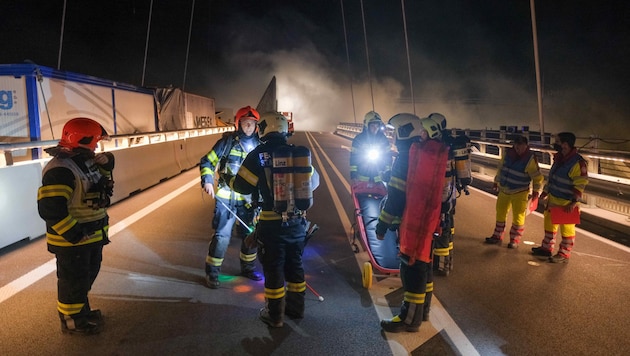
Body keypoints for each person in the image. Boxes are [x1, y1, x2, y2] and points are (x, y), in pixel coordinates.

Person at [227, 112, 320, 328]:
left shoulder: (258, 154)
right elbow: (313, 182)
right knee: (295, 266)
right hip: (298, 224)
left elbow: (242, 186)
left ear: (264, 128)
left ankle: (275, 315)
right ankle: (296, 310)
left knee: (274, 268)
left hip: (271, 224)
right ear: (286, 129)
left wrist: (227, 179)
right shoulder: (297, 154)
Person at [37, 117, 114, 335]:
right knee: (73, 281)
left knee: (85, 276)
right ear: (84, 139)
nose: (97, 146)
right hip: (73, 241)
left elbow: (104, 183)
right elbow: (51, 209)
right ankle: (71, 321)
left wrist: (107, 164)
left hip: (89, 236)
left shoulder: (84, 162)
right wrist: (74, 234)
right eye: (95, 141)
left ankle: (82, 311)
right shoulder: (60, 170)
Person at [376, 114, 449, 333]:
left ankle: (409, 319)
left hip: (412, 222)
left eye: (393, 132)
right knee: (424, 267)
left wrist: (381, 225)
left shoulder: (407, 156)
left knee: (411, 269)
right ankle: (422, 312)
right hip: (429, 221)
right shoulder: (428, 152)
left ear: (401, 132)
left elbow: (396, 198)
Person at [200, 106, 263, 288]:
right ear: (238, 123)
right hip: (226, 200)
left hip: (248, 201)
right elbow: (207, 161)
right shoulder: (227, 142)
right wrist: (208, 181)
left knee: (250, 235)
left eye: (252, 124)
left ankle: (248, 268)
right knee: (221, 236)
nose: (249, 127)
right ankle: (212, 274)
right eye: (245, 123)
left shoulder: (260, 146)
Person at [532, 132, 589, 263]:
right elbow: (552, 178)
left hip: (567, 203)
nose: (554, 144)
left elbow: (580, 184)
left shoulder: (578, 163)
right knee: (549, 226)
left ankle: (564, 254)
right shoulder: (559, 158)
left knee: (567, 230)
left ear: (565, 144)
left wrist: (574, 202)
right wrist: (546, 191)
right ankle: (546, 249)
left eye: (557, 141)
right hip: (553, 200)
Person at [485, 135, 544, 248]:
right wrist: (496, 182)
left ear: (526, 146)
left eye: (521, 145)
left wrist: (536, 192)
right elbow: (501, 169)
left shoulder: (530, 158)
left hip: (520, 191)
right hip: (504, 189)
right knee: (500, 213)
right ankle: (497, 236)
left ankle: (514, 240)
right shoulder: (507, 154)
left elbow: (537, 177)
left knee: (518, 216)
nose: (518, 148)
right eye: (516, 145)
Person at [349, 111, 392, 184]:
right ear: (367, 125)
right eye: (372, 126)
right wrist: (353, 174)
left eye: (377, 126)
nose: (375, 128)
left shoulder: (384, 139)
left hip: (379, 179)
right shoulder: (359, 139)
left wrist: (388, 172)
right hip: (362, 178)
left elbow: (388, 157)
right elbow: (354, 158)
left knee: (383, 195)